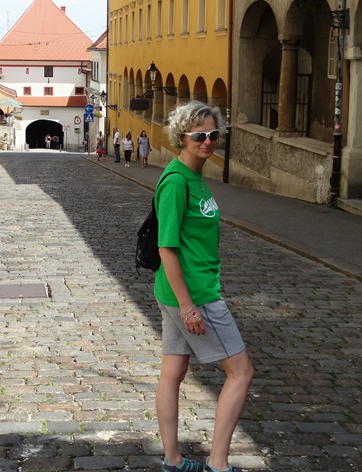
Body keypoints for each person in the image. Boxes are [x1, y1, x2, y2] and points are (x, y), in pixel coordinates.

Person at [154, 101, 253, 472]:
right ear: (182, 137)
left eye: (213, 134)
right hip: (194, 293)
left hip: (182, 290)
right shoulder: (177, 181)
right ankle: (219, 463)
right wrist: (188, 306)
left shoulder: (194, 176)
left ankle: (173, 460)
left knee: (173, 372)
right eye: (199, 136)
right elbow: (166, 248)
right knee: (241, 372)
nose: (208, 141)